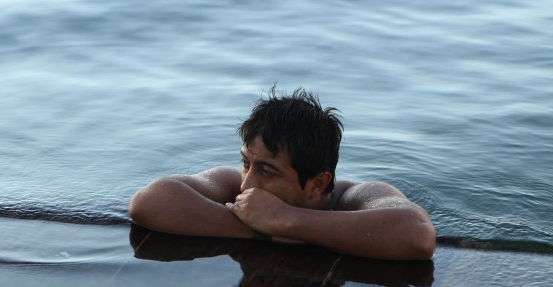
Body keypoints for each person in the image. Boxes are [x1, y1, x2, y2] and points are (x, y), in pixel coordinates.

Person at [129, 88, 436, 261]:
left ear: (317, 183)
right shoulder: (236, 184)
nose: (247, 183)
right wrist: (264, 230)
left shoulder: (353, 198)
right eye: (246, 163)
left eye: (267, 171)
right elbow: (149, 202)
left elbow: (417, 234)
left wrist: (287, 220)